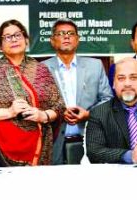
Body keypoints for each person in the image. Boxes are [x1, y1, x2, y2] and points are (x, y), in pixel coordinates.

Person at [0, 19, 65, 166]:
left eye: (17, 35)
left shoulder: (41, 70)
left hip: (40, 146)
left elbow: (58, 107)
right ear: (0, 46)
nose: (13, 40)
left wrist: (43, 115)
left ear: (26, 40)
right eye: (7, 37)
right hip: (3, 148)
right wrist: (10, 111)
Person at [42, 18, 112, 165]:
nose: (66, 36)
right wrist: (58, 113)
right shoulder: (41, 69)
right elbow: (37, 104)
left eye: (70, 33)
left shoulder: (95, 66)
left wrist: (89, 114)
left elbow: (108, 100)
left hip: (89, 139)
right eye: (61, 33)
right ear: (52, 40)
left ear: (78, 39)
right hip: (53, 142)